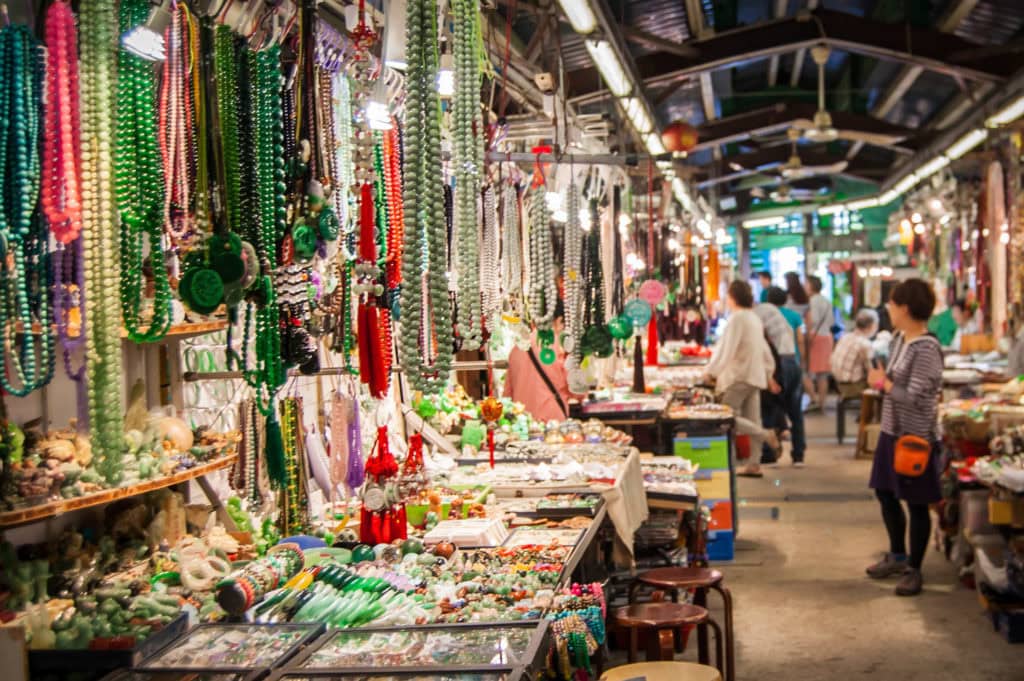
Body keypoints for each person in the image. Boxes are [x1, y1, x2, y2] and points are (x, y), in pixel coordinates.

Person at [865, 279, 944, 597]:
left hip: (915, 437)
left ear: (905, 308)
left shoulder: (926, 348)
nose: (888, 309)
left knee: (917, 503)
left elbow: (915, 395)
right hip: (891, 431)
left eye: (892, 304)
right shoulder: (900, 339)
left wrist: (883, 384)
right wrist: (883, 382)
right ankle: (897, 554)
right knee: (885, 493)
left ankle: (915, 568)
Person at [704, 280, 781, 478]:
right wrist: (768, 373)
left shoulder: (737, 319)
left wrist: (711, 371)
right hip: (754, 376)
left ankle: (765, 435)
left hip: (739, 375)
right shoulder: (754, 318)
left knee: (725, 418)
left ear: (732, 297)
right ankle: (754, 464)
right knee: (753, 418)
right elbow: (764, 350)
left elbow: (726, 349)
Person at [756, 287, 806, 466]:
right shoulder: (783, 315)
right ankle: (798, 455)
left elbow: (760, 343)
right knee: (795, 411)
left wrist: (769, 373)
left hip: (777, 363)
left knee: (768, 408)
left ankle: (769, 453)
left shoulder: (758, 313)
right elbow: (797, 338)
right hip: (792, 360)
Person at [504, 313, 582, 423]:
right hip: (552, 420)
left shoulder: (516, 349)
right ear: (559, 320)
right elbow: (576, 388)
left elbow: (507, 393)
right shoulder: (559, 346)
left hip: (522, 422)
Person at [831, 308, 879, 400]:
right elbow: (871, 371)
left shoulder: (845, 336)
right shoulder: (865, 343)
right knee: (880, 386)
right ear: (872, 326)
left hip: (838, 385)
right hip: (852, 387)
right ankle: (868, 414)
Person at [803, 275, 834, 411]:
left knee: (806, 372)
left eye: (806, 284)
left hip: (815, 338)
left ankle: (814, 399)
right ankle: (821, 403)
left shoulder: (813, 301)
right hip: (827, 337)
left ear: (811, 286)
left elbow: (813, 320)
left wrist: (807, 329)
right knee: (823, 374)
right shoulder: (827, 301)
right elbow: (832, 321)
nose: (804, 286)